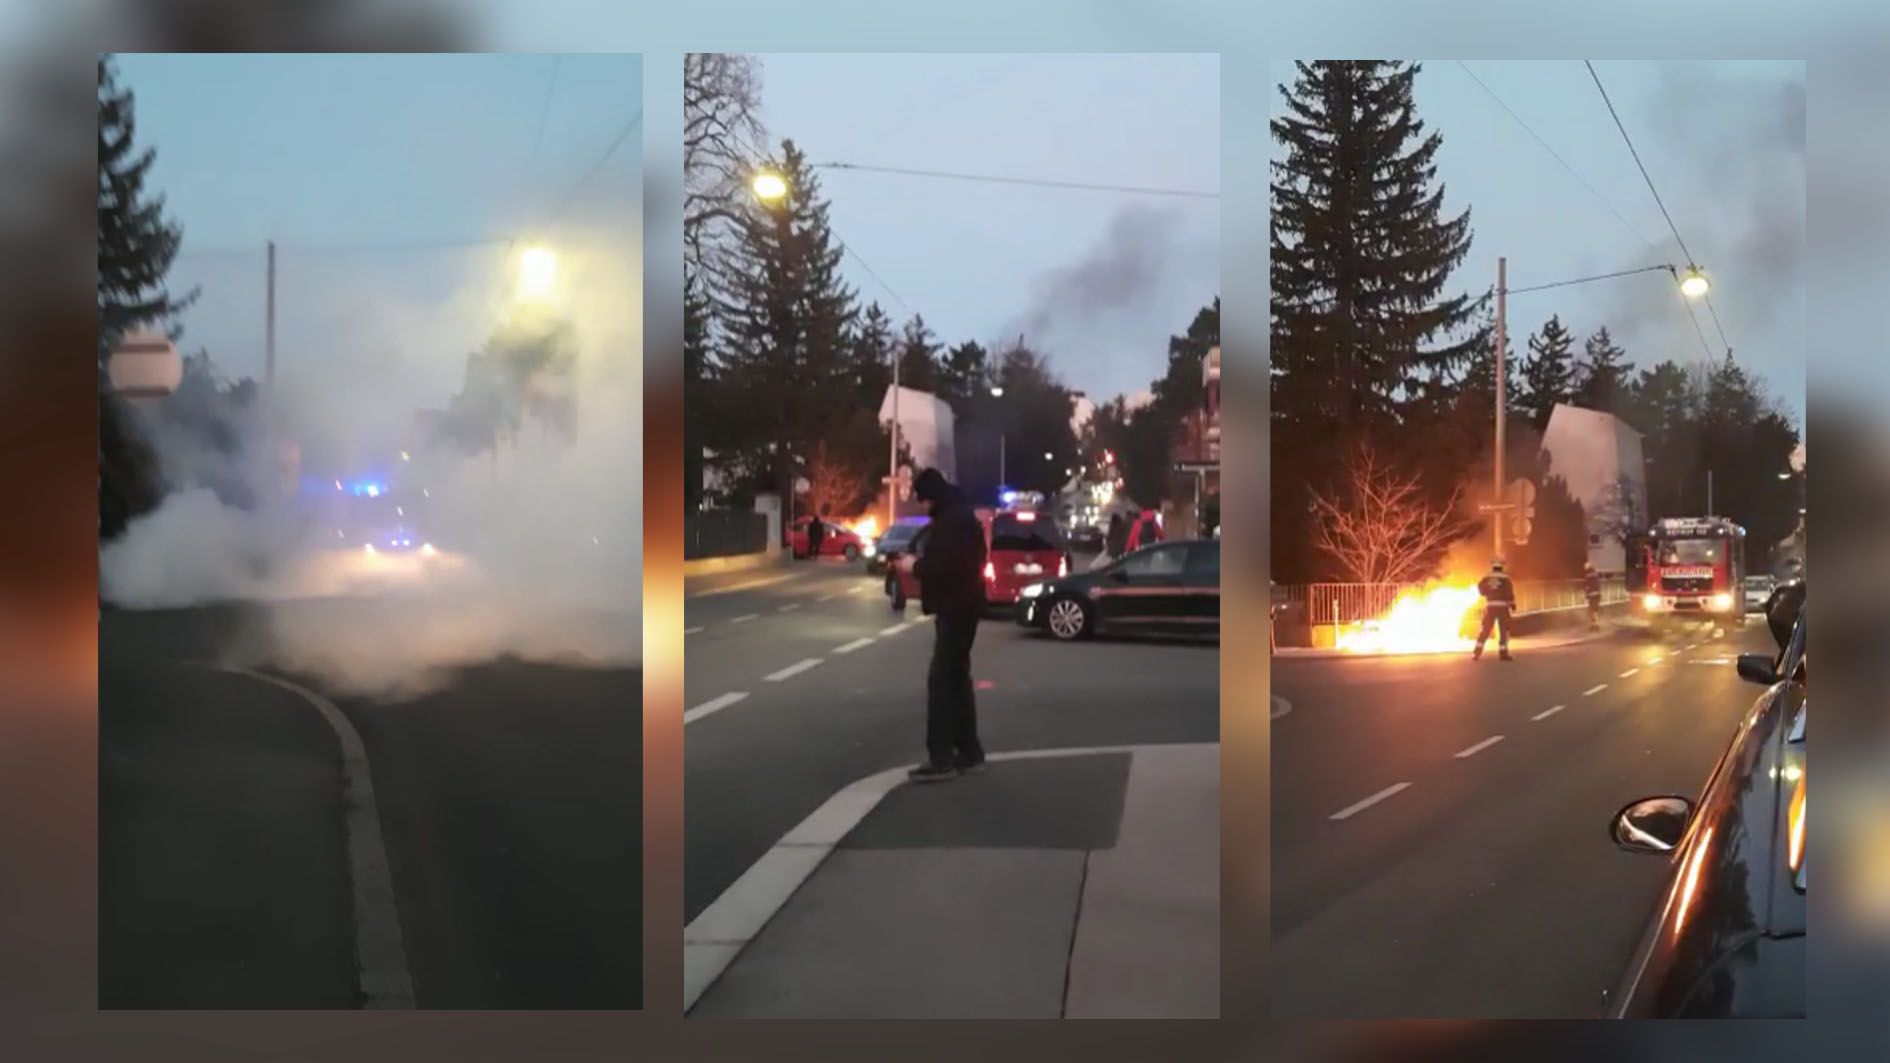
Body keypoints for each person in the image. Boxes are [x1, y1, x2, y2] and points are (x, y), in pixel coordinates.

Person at [905, 467, 988, 782]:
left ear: (931, 496)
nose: (923, 506)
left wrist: (915, 566)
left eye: (923, 500)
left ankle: (941, 758)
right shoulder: (961, 514)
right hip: (965, 604)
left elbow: (944, 564)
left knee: (941, 681)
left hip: (955, 606)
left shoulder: (951, 521)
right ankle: (968, 751)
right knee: (956, 678)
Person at [1474, 559, 1516, 661]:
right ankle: (1503, 653)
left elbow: (1480, 588)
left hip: (1490, 607)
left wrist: (1486, 594)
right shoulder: (1505, 578)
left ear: (1493, 567)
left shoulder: (1487, 577)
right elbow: (1509, 592)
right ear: (1501, 567)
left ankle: (1477, 652)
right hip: (1502, 607)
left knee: (1486, 629)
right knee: (1503, 630)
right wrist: (1512, 604)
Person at [1584, 561, 1603, 631]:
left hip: (1592, 595)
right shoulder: (1596, 575)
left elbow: (1587, 587)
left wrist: (1586, 596)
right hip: (1597, 595)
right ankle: (1595, 625)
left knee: (1592, 611)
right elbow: (1598, 585)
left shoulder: (1587, 576)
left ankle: (1595, 626)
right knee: (1595, 611)